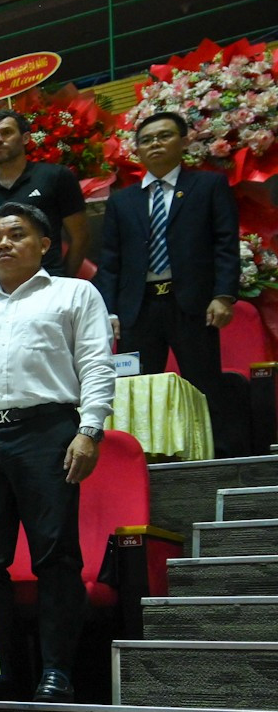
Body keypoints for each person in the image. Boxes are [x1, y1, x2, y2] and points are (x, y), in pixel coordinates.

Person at [0, 202, 114, 702]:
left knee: (55, 556)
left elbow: (97, 363)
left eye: (16, 235)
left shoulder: (75, 293)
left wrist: (90, 429)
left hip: (49, 431)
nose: (3, 245)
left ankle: (57, 671)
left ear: (45, 244)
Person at [98, 110, 244, 456]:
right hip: (138, 308)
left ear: (183, 141)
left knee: (204, 383)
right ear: (138, 150)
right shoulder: (122, 200)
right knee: (135, 388)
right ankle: (142, 459)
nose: (155, 144)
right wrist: (110, 311)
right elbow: (110, 261)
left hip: (191, 303)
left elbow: (226, 243)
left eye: (164, 136)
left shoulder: (207, 186)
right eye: (146, 140)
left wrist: (223, 295)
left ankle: (216, 459)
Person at [0, 109, 90, 289]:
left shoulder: (56, 177)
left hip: (49, 286)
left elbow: (79, 238)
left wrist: (61, 281)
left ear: (26, 138)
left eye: (6, 132)